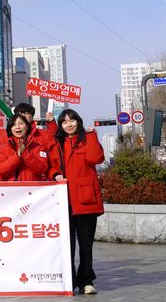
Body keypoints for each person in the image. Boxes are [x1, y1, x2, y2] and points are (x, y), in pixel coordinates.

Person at [52, 109, 105, 295]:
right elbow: (52, 165)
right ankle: (70, 280)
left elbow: (95, 158)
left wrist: (91, 135)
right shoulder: (58, 142)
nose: (69, 124)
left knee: (86, 245)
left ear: (78, 121)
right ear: (60, 125)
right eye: (64, 122)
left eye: (72, 120)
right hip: (64, 200)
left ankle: (86, 280)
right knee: (67, 245)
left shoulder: (87, 138)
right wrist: (55, 174)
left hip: (85, 199)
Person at [0, 113, 53, 181]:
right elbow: (0, 170)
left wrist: (25, 153)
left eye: (20, 123)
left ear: (27, 126)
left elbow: (41, 169)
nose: (17, 127)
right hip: (11, 187)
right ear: (10, 128)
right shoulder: (3, 148)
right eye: (13, 125)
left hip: (32, 187)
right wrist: (18, 155)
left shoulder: (39, 146)